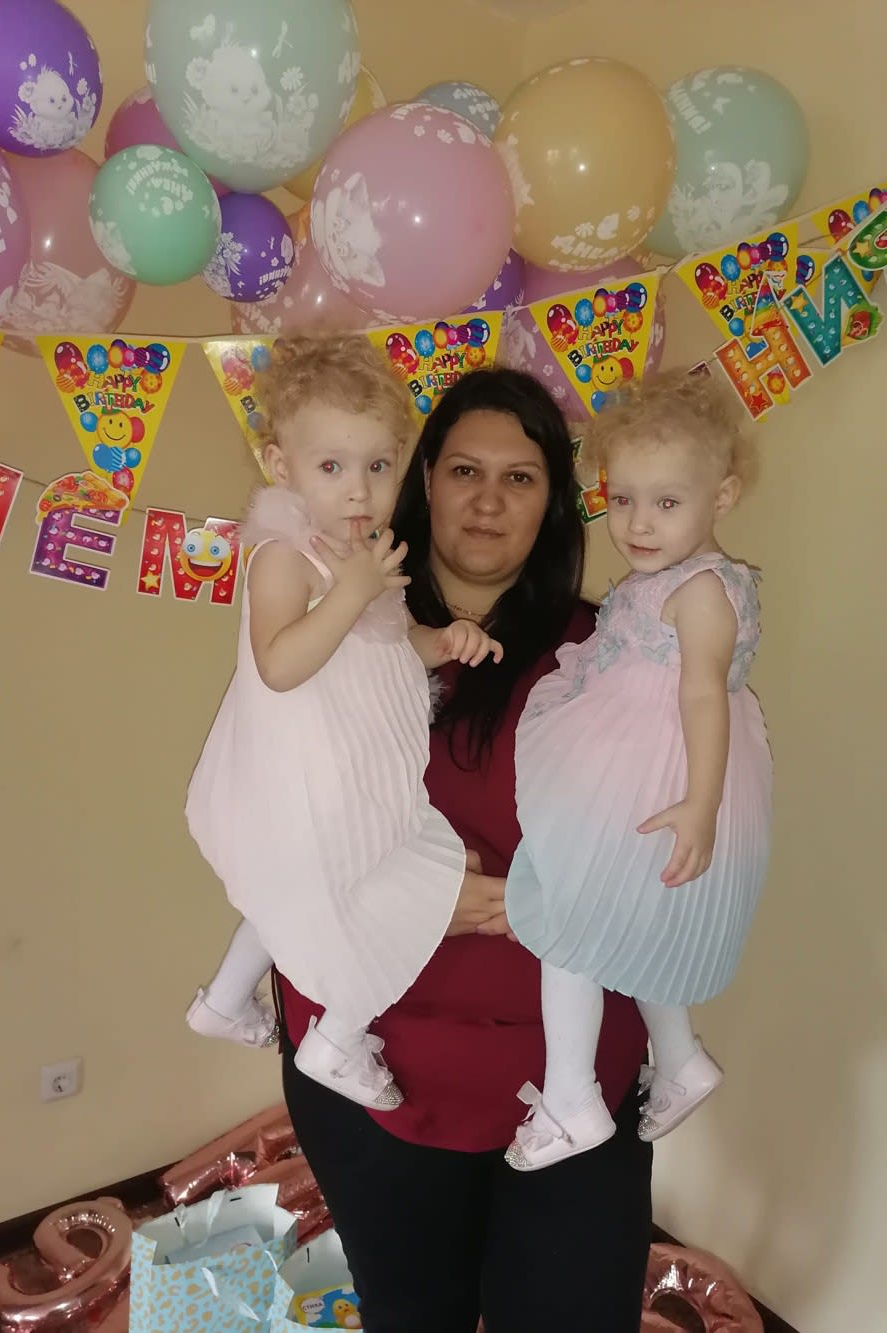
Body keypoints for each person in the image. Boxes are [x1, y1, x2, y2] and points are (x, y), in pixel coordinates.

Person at [276, 367, 653, 1333]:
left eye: (519, 477)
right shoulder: (341, 636)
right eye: (465, 471)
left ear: (553, 502)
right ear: (425, 481)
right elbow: (265, 826)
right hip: (379, 1066)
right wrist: (414, 899)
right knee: (416, 1316)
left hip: (569, 1078)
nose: (488, 499)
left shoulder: (610, 653)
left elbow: (669, 845)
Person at [184, 335, 501, 1112]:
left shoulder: (363, 553)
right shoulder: (284, 556)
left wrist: (442, 641)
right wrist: (353, 590)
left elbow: (386, 646)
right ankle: (337, 1035)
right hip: (308, 777)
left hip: (357, 767)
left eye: (379, 465)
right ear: (280, 465)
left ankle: (226, 1000)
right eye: (332, 466)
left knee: (304, 892)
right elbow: (280, 661)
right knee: (390, 891)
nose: (359, 490)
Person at [505, 370, 773, 1171]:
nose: (638, 522)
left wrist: (700, 804)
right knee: (625, 921)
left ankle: (571, 1098)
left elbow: (704, 694)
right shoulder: (671, 579)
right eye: (622, 498)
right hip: (638, 772)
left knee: (570, 924)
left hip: (656, 779)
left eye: (666, 502)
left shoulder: (703, 592)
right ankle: (680, 1057)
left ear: (722, 496)